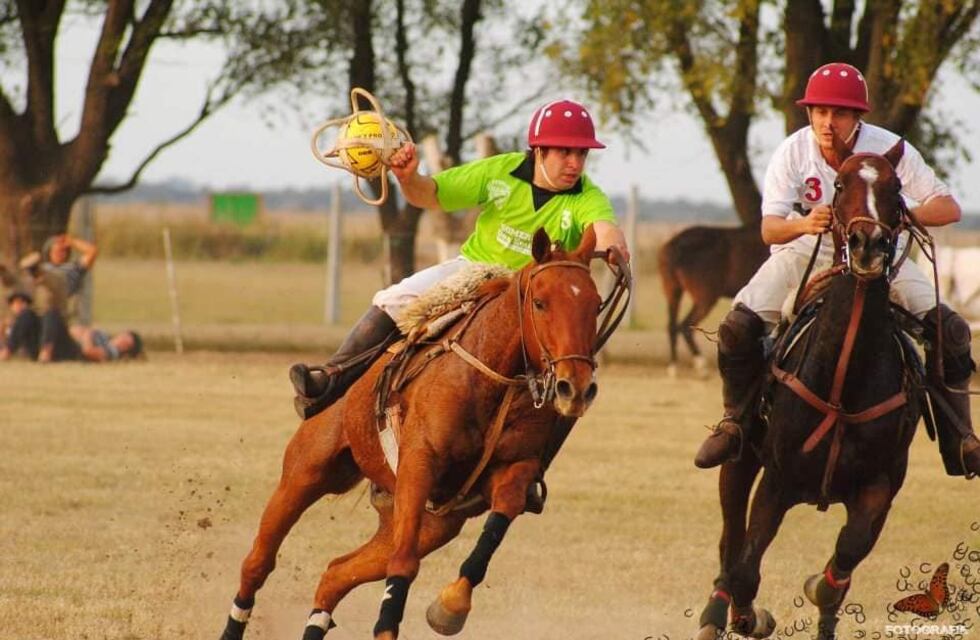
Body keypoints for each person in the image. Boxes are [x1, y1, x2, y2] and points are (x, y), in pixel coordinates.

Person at [290, 99, 631, 510]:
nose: (575, 162)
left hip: (529, 303)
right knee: (396, 298)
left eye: (581, 153)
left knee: (571, 375)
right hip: (476, 273)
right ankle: (330, 379)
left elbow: (606, 230)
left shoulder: (586, 197)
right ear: (538, 150)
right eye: (564, 151)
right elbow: (430, 195)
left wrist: (614, 250)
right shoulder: (499, 171)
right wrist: (408, 176)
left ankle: (530, 474)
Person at [694, 62, 980, 478]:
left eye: (840, 112)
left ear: (858, 117)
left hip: (879, 253)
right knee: (736, 328)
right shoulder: (793, 151)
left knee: (950, 331)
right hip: (808, 246)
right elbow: (769, 228)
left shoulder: (889, 149)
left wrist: (902, 215)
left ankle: (961, 440)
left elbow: (948, 207)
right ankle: (736, 422)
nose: (828, 122)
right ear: (809, 113)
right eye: (820, 111)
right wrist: (804, 224)